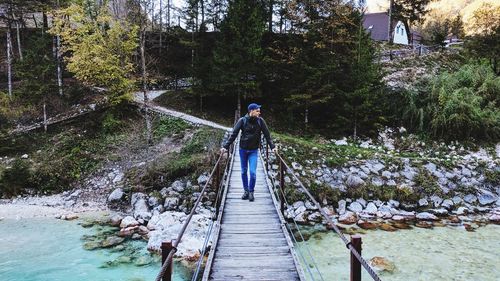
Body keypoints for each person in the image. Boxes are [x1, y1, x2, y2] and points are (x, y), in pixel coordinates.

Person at [220, 103, 277, 202]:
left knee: (253, 173)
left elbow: (267, 136)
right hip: (242, 150)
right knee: (243, 171)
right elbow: (234, 135)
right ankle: (246, 191)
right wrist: (225, 147)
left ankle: (251, 191)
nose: (260, 112)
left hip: (253, 151)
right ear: (251, 111)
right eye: (257, 111)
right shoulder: (242, 120)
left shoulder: (260, 121)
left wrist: (273, 147)